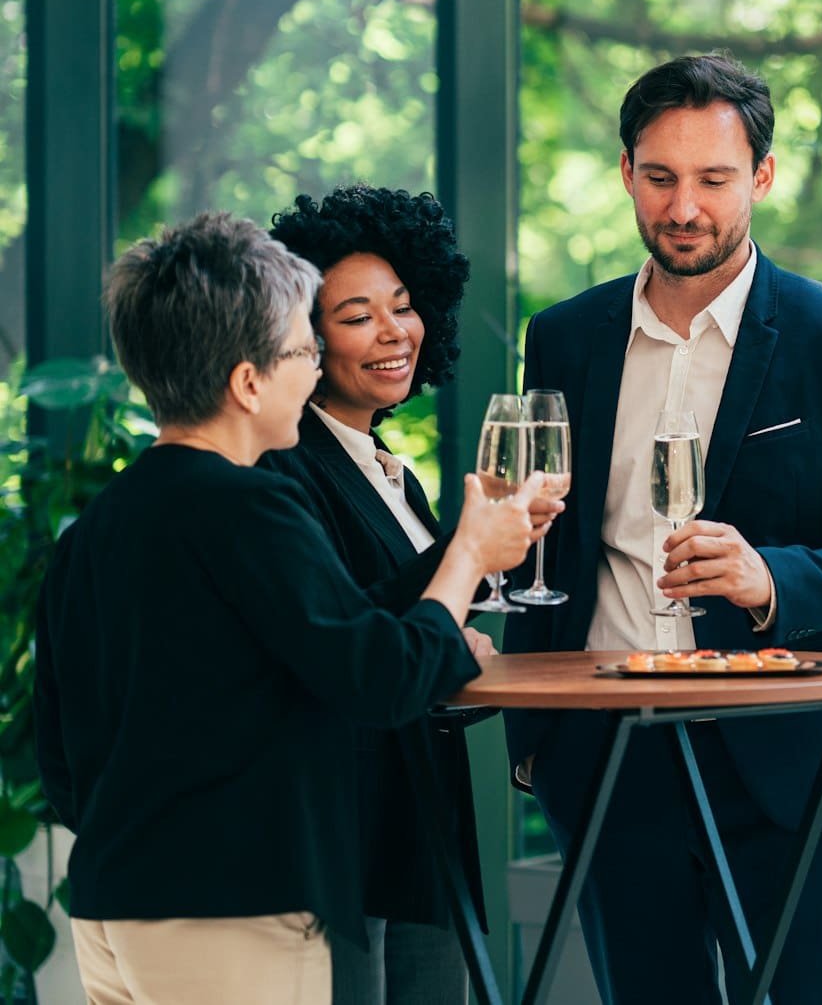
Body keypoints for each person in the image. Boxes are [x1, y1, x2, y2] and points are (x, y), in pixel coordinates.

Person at [502, 53, 822, 1003]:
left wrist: (770, 577)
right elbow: (543, 542)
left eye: (713, 179)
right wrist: (540, 743)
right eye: (660, 178)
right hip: (608, 754)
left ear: (763, 178)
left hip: (783, 760)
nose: (684, 206)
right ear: (625, 173)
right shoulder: (565, 337)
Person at [34, 212, 537, 1005]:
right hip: (235, 908)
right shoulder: (250, 507)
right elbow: (378, 676)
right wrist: (469, 553)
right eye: (303, 350)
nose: (312, 374)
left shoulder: (94, 526)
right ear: (248, 381)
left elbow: (61, 760)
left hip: (111, 908)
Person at [264, 185, 551, 1005]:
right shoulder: (287, 465)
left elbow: (403, 625)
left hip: (418, 827)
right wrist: (464, 553)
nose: (395, 332)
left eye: (404, 305)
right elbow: (343, 633)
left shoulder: (393, 470)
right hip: (349, 836)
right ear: (303, 338)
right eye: (357, 316)